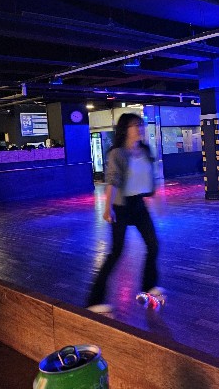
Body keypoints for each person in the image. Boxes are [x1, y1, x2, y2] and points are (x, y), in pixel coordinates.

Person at [87, 113, 163, 314]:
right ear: (125, 130)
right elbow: (112, 181)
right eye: (134, 125)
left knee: (153, 245)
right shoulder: (117, 154)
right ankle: (94, 300)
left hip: (138, 204)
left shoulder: (145, 150)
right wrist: (107, 208)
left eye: (141, 125)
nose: (139, 128)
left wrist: (157, 198)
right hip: (121, 206)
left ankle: (148, 287)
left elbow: (151, 177)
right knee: (117, 252)